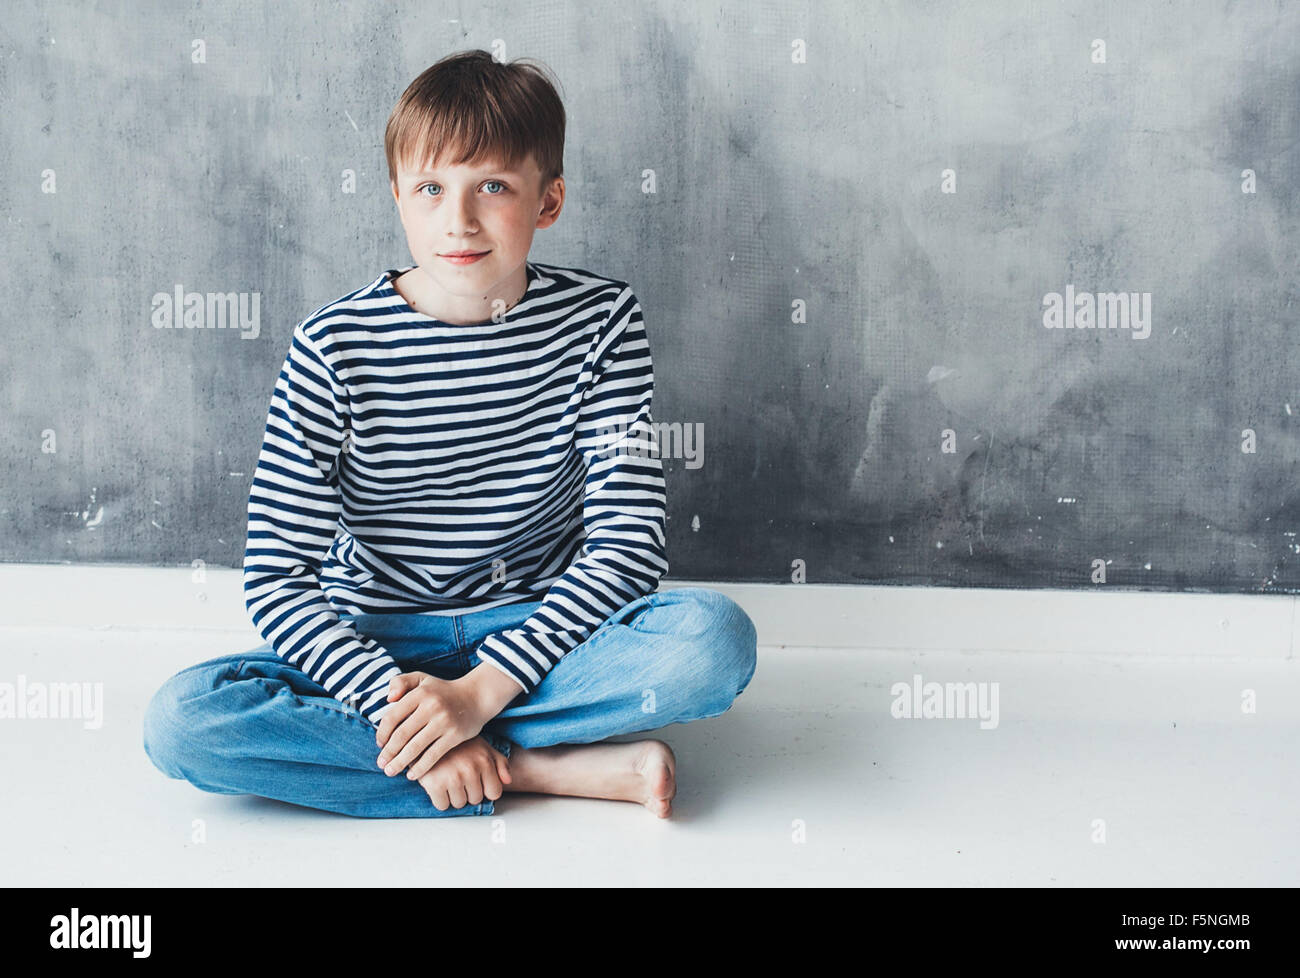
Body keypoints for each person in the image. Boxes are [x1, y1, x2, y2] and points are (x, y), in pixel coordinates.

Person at [143, 49, 757, 820]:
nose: (458, 221)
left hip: (540, 629)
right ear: (399, 197)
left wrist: (479, 693)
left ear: (549, 200)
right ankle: (529, 767)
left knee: (712, 644)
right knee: (185, 722)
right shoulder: (332, 346)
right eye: (431, 189)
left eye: (492, 187)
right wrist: (390, 698)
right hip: (379, 639)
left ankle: (439, 747)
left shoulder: (602, 322)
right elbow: (278, 577)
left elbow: (627, 546)